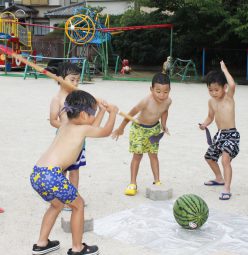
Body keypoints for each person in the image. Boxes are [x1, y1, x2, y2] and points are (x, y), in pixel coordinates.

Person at [30, 90, 118, 255]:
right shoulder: (82, 130)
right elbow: (104, 131)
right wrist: (113, 112)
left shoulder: (65, 123)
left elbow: (91, 125)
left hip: (37, 173)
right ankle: (78, 248)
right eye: (91, 112)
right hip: (52, 176)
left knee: (56, 205)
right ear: (84, 114)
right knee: (78, 205)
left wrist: (99, 109)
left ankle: (41, 244)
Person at [112, 73, 172, 196]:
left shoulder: (168, 101)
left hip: (154, 130)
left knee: (153, 155)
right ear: (151, 89)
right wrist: (121, 128)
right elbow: (130, 114)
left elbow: (165, 111)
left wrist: (164, 124)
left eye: (165, 92)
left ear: (169, 90)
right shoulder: (145, 101)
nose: (162, 95)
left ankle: (157, 181)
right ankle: (133, 183)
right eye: (158, 91)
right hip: (138, 129)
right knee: (137, 156)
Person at [200, 60, 240, 201]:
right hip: (219, 135)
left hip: (231, 135)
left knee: (225, 160)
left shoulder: (228, 98)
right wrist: (205, 124)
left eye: (216, 90)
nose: (213, 93)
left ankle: (227, 188)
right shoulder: (211, 102)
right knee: (209, 158)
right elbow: (211, 116)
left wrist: (224, 69)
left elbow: (233, 85)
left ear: (224, 87)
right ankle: (219, 178)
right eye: (210, 90)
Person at [49, 63, 85, 209]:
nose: (75, 83)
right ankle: (62, 197)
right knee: (62, 169)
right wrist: (67, 128)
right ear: (60, 79)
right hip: (63, 140)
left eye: (77, 80)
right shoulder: (57, 99)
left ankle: (73, 197)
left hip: (78, 140)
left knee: (75, 169)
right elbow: (53, 120)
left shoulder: (77, 96)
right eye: (72, 79)